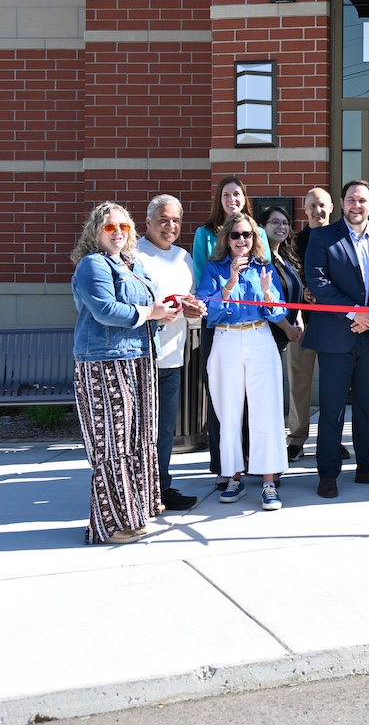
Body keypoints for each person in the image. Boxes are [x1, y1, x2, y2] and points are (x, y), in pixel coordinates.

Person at [69, 201, 182, 543]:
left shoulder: (131, 264)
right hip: (105, 361)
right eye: (109, 227)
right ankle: (111, 525)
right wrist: (150, 312)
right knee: (112, 443)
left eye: (124, 227)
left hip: (140, 358)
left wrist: (164, 314)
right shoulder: (93, 264)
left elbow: (147, 309)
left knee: (138, 439)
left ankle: (135, 513)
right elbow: (105, 310)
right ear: (96, 231)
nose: (117, 232)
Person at [303, 180, 369, 497]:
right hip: (337, 336)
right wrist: (354, 314)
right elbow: (318, 282)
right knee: (332, 409)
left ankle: (367, 467)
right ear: (341, 203)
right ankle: (328, 473)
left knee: (367, 407)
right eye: (351, 199)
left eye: (362, 200)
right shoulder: (323, 237)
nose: (356, 205)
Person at [197, 212, 289, 509]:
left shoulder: (265, 267)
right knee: (229, 412)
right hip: (226, 339)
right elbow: (209, 312)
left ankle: (268, 482)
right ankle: (234, 476)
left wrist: (267, 294)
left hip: (259, 337)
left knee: (267, 410)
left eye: (247, 234)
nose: (241, 240)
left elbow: (278, 312)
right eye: (235, 234)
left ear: (254, 238)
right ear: (226, 238)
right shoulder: (213, 268)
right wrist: (230, 282)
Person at [133, 195, 207, 512]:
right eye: (163, 219)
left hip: (172, 356)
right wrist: (157, 311)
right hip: (139, 357)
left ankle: (161, 488)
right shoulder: (133, 255)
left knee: (164, 428)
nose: (170, 226)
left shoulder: (183, 258)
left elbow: (192, 306)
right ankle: (136, 491)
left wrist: (193, 310)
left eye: (176, 220)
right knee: (139, 429)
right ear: (148, 221)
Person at [193, 177, 255, 485]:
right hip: (218, 324)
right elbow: (202, 276)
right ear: (219, 199)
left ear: (245, 198)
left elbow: (263, 271)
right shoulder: (205, 233)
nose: (232, 199)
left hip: (252, 328)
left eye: (237, 194)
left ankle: (251, 461)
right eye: (226, 194)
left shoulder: (255, 230)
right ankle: (223, 465)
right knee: (222, 398)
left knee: (251, 400)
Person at [287, 187, 335, 461]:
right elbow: (290, 275)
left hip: (334, 325)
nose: (318, 211)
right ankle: (296, 439)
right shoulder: (294, 242)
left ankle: (330, 440)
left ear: (331, 207)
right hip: (302, 323)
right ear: (305, 210)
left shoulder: (341, 238)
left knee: (333, 386)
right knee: (299, 384)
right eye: (312, 206)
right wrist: (304, 290)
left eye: (322, 205)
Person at [260, 204, 307, 443]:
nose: (281, 227)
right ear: (262, 227)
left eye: (285, 223)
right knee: (266, 397)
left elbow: (292, 294)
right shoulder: (260, 260)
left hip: (284, 337)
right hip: (268, 335)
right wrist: (287, 327)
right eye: (275, 222)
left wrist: (297, 317)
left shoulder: (285, 256)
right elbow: (265, 301)